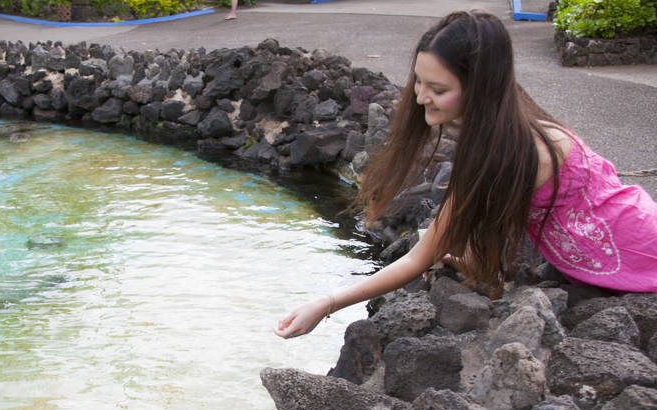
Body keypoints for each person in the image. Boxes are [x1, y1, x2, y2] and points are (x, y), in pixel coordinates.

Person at [274, 9, 657, 339]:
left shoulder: (508, 152)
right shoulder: (509, 120)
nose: (421, 97)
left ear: (479, 87)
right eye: (419, 81)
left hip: (638, 251)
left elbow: (418, 259)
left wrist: (326, 304)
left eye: (438, 88)